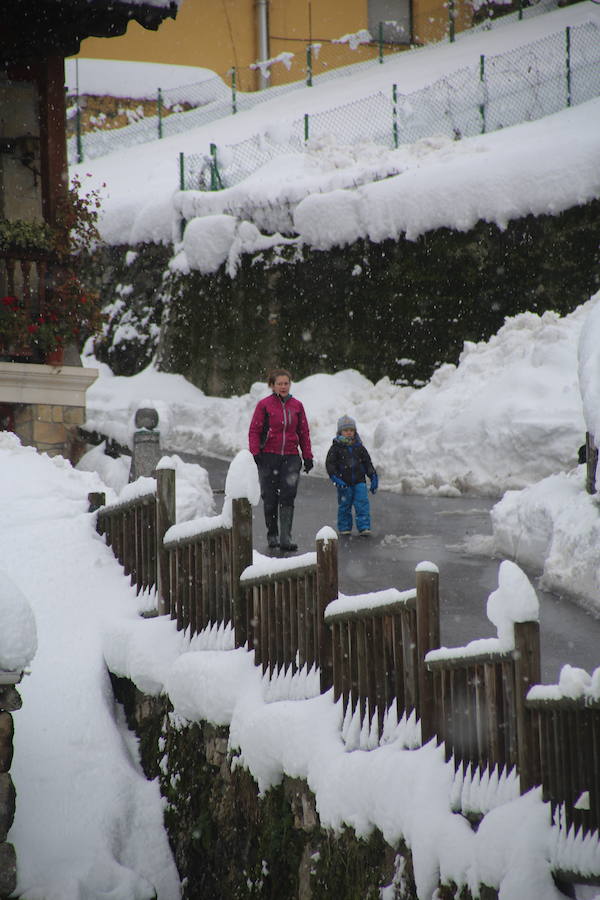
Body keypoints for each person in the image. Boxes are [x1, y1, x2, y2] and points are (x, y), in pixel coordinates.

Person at [248, 368, 313, 552]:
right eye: (279, 383)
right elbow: (254, 430)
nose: (283, 387)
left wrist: (307, 456)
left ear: (290, 384)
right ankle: (273, 535)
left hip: (291, 457)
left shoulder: (297, 406)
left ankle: (285, 537)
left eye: (286, 383)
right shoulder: (264, 405)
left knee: (288, 496)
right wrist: (255, 452)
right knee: (270, 497)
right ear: (272, 385)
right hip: (268, 456)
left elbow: (303, 432)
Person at [325, 414, 378, 536]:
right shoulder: (336, 448)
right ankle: (345, 528)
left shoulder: (359, 447)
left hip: (360, 482)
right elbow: (330, 465)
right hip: (344, 483)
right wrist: (335, 478)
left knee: (362, 504)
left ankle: (364, 527)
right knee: (345, 506)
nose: (349, 433)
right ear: (340, 432)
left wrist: (373, 476)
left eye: (351, 430)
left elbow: (367, 464)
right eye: (346, 430)